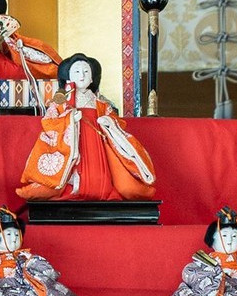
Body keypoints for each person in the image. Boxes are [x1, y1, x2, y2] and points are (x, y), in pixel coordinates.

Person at [17, 53, 155, 202]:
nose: (82, 76)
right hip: (74, 142)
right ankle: (74, 189)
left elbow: (118, 123)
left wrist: (109, 122)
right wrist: (69, 119)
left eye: (86, 72)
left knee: (100, 173)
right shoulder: (61, 102)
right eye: (77, 71)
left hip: (96, 141)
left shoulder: (101, 103)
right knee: (72, 173)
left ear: (92, 78)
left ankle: (101, 189)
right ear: (68, 77)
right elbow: (49, 121)